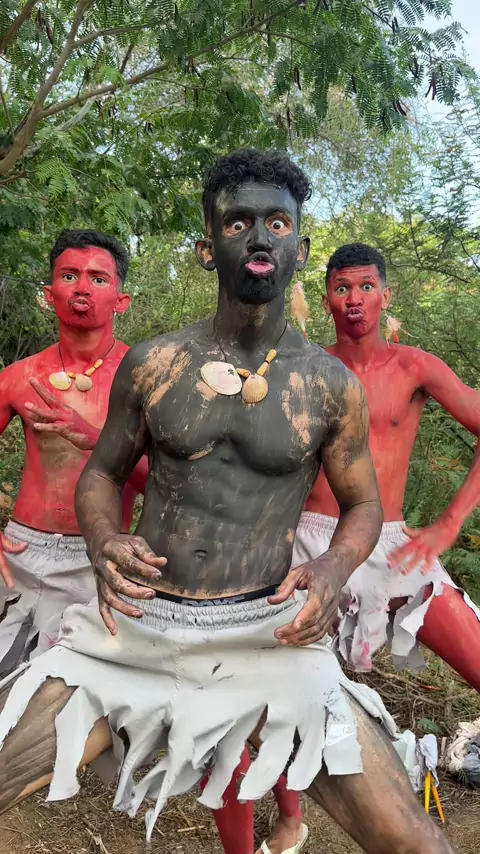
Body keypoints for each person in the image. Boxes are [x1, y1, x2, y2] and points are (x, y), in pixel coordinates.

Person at [0, 151, 455, 854]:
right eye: (238, 222)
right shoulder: (156, 364)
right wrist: (103, 540)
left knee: (417, 844)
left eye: (278, 223)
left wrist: (332, 568)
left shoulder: (328, 384)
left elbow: (364, 505)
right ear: (208, 248)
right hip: (133, 627)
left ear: (301, 248)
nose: (260, 237)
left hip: (270, 634)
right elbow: (101, 475)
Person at [292, 242, 480, 684]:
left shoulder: (414, 367)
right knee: (284, 685)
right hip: (309, 540)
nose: (354, 299)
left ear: (385, 295)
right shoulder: (304, 367)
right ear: (327, 301)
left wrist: (449, 523)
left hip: (391, 542)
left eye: (366, 286)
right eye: (342, 288)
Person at [0, 230, 147, 674]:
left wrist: (95, 439)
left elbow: (168, 482)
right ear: (50, 294)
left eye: (98, 279)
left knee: (72, 692)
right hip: (20, 552)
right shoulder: (19, 376)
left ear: (121, 300)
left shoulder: (145, 379)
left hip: (99, 553)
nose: (82, 287)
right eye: (69, 276)